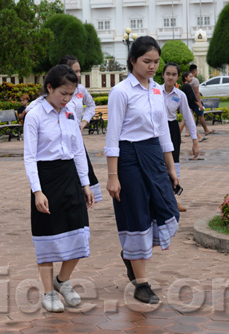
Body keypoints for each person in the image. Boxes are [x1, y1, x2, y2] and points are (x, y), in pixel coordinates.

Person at [105, 36, 179, 304]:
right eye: (147, 61)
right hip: (128, 159)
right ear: (132, 61)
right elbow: (112, 137)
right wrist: (112, 177)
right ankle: (142, 283)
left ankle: (130, 255)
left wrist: (171, 169)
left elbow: (163, 133)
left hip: (153, 155)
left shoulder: (157, 90)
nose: (152, 67)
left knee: (168, 210)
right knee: (136, 215)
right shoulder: (121, 92)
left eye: (156, 62)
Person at [24, 64, 94, 312]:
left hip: (70, 176)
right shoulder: (34, 115)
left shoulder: (70, 113)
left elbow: (77, 150)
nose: (67, 99)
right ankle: (48, 292)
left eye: (72, 94)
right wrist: (37, 191)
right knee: (47, 238)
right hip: (46, 179)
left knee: (80, 234)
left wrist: (85, 183)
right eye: (63, 93)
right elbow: (30, 157)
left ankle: (62, 281)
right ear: (49, 87)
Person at [58, 55, 102, 203]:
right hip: (60, 140)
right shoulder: (56, 91)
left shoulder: (80, 89)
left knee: (82, 168)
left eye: (79, 71)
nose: (78, 75)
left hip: (76, 138)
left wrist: (83, 122)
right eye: (74, 71)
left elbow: (91, 105)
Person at [161, 62, 200, 212]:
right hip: (155, 131)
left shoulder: (180, 95)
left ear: (178, 77)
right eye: (168, 74)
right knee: (157, 164)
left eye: (174, 74)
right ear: (163, 75)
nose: (170, 77)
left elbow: (188, 118)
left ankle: (172, 200)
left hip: (172, 130)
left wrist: (195, 141)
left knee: (173, 164)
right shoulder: (154, 91)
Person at [181, 71, 206, 142]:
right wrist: (199, 104)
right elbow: (192, 97)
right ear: (185, 78)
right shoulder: (187, 86)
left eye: (192, 76)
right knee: (189, 122)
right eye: (190, 76)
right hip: (188, 107)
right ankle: (199, 137)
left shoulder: (185, 86)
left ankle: (199, 137)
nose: (192, 78)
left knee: (187, 122)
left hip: (187, 107)